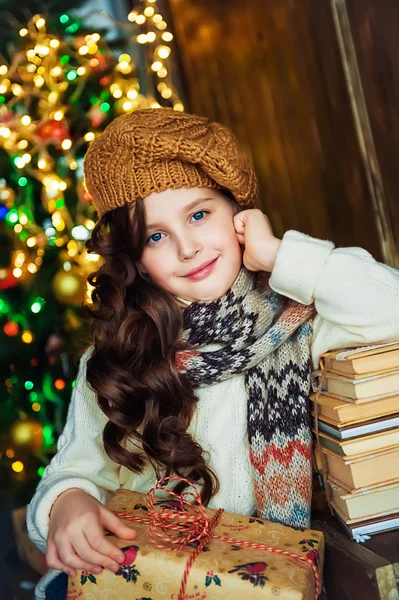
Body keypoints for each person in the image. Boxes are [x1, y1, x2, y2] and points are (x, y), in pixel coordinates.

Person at [27, 108, 399, 599]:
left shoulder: (303, 320)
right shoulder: (120, 358)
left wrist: (279, 255)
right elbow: (75, 469)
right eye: (155, 236)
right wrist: (66, 502)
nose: (187, 248)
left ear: (240, 213)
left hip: (273, 581)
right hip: (151, 580)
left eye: (200, 215)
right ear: (135, 258)